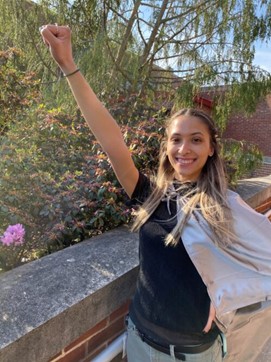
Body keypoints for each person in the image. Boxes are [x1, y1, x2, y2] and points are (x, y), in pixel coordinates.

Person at [40, 24, 271, 362]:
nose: (184, 148)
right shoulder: (150, 195)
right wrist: (69, 67)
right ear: (166, 147)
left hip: (193, 353)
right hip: (139, 339)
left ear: (210, 149)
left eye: (196, 139)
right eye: (176, 139)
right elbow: (112, 142)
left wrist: (225, 299)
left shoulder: (226, 207)